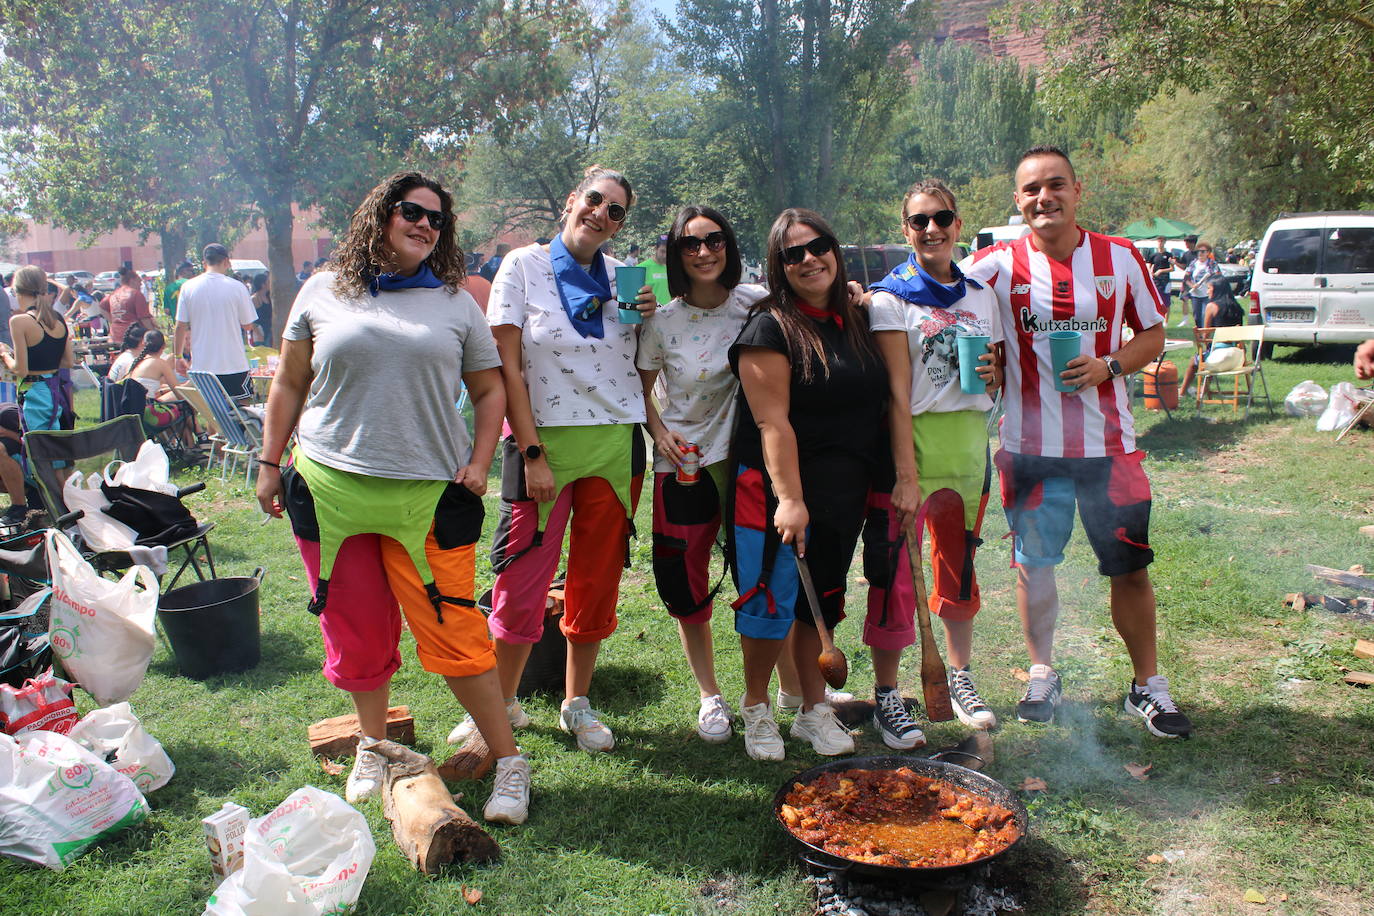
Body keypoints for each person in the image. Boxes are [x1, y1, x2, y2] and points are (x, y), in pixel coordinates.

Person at [255, 171, 530, 823]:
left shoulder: (455, 302)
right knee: (354, 628)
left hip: (427, 499)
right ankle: (374, 746)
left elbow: (491, 390)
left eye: (437, 219)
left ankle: (510, 760)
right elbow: (289, 384)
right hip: (328, 489)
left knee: (455, 632)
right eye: (412, 211)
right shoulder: (322, 291)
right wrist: (269, 462)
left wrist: (480, 460)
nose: (425, 225)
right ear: (379, 214)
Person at [963, 145, 1193, 739]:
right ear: (1018, 200)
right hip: (1029, 449)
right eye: (1032, 189)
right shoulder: (992, 265)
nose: (1045, 198)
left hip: (1108, 447)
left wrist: (1109, 368)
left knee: (1130, 568)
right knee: (1033, 566)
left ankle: (1147, 686)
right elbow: (934, 293)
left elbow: (1154, 334)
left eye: (1055, 185)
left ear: (1076, 191)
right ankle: (1042, 671)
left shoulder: (1119, 258)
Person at [462, 166, 655, 755]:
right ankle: (501, 703)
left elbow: (643, 359)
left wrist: (652, 313)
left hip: (616, 445)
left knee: (596, 583)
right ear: (573, 199)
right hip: (542, 448)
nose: (602, 213)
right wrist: (532, 452)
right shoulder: (521, 265)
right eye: (595, 200)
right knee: (521, 581)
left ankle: (577, 703)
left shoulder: (630, 277)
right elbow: (507, 368)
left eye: (616, 210)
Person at [727, 208, 889, 760]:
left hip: (844, 487)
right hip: (776, 487)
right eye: (792, 254)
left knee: (818, 600)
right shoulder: (768, 327)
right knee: (769, 601)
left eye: (817, 246)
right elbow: (773, 422)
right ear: (778, 266)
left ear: (835, 249)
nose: (808, 259)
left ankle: (811, 710)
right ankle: (756, 710)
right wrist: (790, 500)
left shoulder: (857, 320)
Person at [867, 179, 1004, 742]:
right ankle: (888, 693)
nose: (932, 229)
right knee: (896, 575)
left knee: (959, 567)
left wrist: (995, 376)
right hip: (909, 450)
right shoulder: (889, 299)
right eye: (920, 220)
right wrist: (904, 473)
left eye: (942, 218)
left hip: (969, 449)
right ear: (906, 229)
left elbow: (993, 373)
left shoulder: (980, 295)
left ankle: (960, 676)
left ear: (957, 223)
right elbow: (896, 394)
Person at [636, 205, 767, 744]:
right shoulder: (660, 320)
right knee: (686, 581)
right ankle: (710, 695)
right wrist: (657, 432)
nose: (705, 251)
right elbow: (641, 390)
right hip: (683, 465)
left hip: (744, 462)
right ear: (677, 255)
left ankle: (775, 688)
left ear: (729, 246)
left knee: (758, 575)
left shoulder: (756, 305)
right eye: (691, 244)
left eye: (714, 240)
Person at [0, 267, 76, 486]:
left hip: (34, 393)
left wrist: (5, 355)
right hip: (55, 393)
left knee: (42, 457)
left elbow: (20, 370)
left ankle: (61, 509)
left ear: (16, 290)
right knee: (56, 459)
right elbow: (67, 362)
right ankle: (68, 507)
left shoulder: (20, 321)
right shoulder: (58, 318)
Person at [174, 244, 258, 401]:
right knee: (243, 412)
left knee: (213, 415)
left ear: (204, 262)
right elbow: (248, 325)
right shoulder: (238, 287)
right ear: (226, 261)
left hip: (203, 366)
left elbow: (180, 326)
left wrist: (177, 355)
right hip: (233, 363)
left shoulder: (188, 287)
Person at [124, 330, 198, 448]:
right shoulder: (159, 363)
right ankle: (199, 437)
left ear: (143, 344)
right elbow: (179, 392)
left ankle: (191, 445)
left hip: (132, 414)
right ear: (163, 346)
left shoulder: (135, 364)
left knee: (179, 407)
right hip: (149, 416)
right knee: (184, 405)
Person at [1178, 275, 1246, 397]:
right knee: (1210, 356)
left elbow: (1205, 335)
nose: (1207, 291)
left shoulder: (1212, 306)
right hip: (1237, 355)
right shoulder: (1237, 307)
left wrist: (1202, 339)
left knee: (1196, 361)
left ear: (1216, 289)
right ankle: (1203, 391)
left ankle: (1182, 391)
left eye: (1209, 288)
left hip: (1219, 355)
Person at [107, 266, 154, 347]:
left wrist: (113, 320)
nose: (140, 284)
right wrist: (154, 335)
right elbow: (144, 319)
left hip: (114, 337)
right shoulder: (136, 294)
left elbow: (101, 307)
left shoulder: (113, 294)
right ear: (132, 280)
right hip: (132, 339)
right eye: (139, 282)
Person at [1184, 242, 1222, 329]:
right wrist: (1192, 285)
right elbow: (1186, 277)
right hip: (1196, 295)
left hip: (1207, 294)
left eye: (1203, 251)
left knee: (1205, 315)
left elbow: (1219, 277)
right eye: (1198, 251)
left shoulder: (1212, 264)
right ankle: (1200, 335)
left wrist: (1211, 284)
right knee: (1197, 317)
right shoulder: (1193, 263)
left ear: (1208, 253)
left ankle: (1206, 335)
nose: (1200, 253)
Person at [1147, 237, 1174, 319]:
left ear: (1165, 242)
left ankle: (1166, 320)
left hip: (1165, 281)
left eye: (1162, 241)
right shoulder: (1153, 255)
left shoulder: (1168, 255)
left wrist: (1161, 271)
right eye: (1159, 241)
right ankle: (1156, 317)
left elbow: (1172, 268)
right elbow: (1149, 266)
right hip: (1156, 281)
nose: (1160, 243)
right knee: (1155, 299)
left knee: (1166, 301)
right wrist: (1150, 272)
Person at [643, 235, 671, 305]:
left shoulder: (673, 269)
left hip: (670, 313)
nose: (665, 255)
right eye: (662, 251)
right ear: (656, 249)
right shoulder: (642, 268)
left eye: (668, 252)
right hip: (652, 313)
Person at [249, 273, 273, 345]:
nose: (270, 283)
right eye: (268, 282)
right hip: (259, 335)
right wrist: (258, 333)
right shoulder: (254, 299)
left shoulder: (270, 297)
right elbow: (250, 319)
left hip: (269, 332)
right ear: (263, 285)